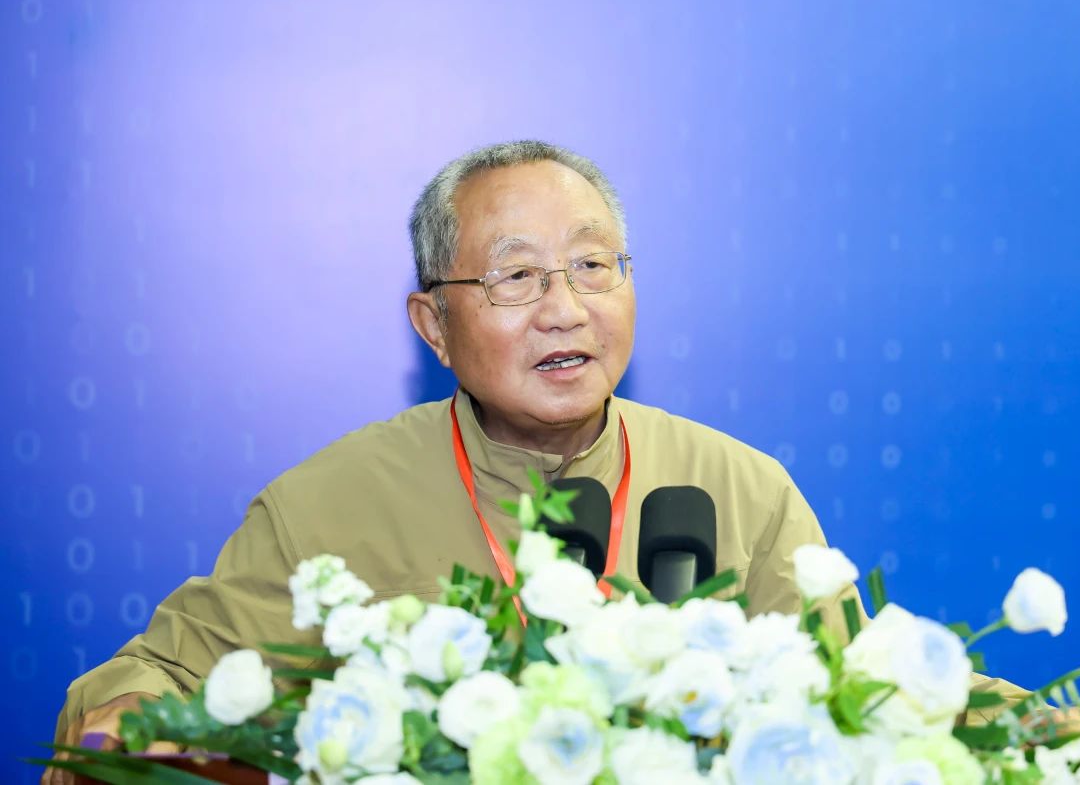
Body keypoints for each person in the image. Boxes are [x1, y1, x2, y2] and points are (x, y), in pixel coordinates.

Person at [48, 141, 861, 775]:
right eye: (517, 276)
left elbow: (862, 707)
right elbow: (161, 677)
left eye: (591, 266)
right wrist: (129, 718)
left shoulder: (740, 490)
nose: (565, 309)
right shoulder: (329, 505)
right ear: (434, 325)